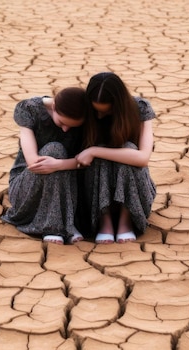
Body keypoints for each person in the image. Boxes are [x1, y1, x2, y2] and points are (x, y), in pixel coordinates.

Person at [75, 72, 156, 244]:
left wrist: (95, 150)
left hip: (135, 189)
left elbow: (142, 158)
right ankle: (105, 221)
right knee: (101, 159)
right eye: (95, 110)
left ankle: (125, 221)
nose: (99, 116)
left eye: (106, 111)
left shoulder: (140, 108)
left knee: (128, 150)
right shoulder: (84, 110)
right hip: (95, 192)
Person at [1, 87, 87, 245]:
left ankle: (63, 223)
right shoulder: (29, 109)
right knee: (54, 149)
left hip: (67, 190)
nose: (66, 129)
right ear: (53, 107)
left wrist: (59, 165)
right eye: (62, 122)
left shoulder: (85, 116)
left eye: (72, 127)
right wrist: (61, 163)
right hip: (27, 185)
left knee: (58, 156)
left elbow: (88, 160)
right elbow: (33, 162)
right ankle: (55, 226)